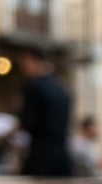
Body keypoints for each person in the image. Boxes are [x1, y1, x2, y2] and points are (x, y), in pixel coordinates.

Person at [18, 47, 72, 176]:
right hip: (62, 158)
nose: (23, 68)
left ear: (33, 61)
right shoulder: (61, 87)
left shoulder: (34, 87)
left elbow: (28, 122)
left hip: (40, 159)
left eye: (25, 63)